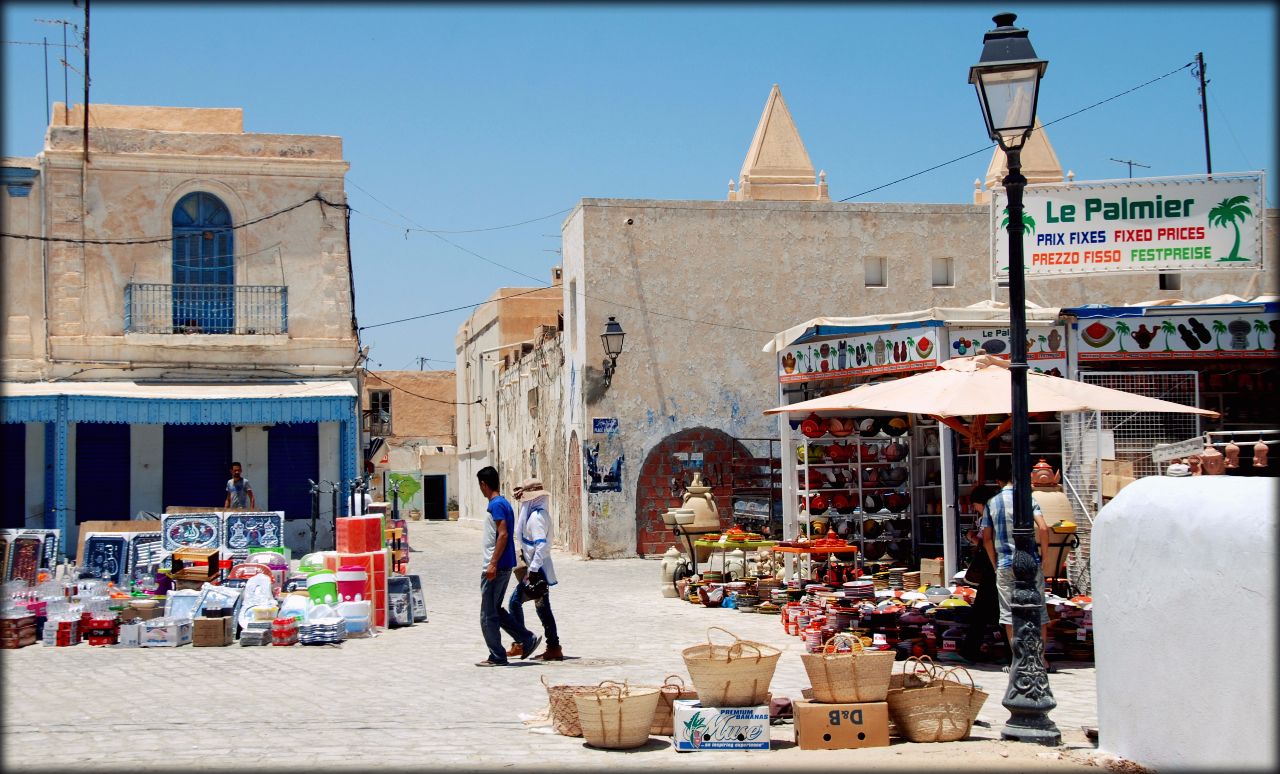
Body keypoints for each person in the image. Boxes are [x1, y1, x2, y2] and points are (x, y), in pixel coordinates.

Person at [979, 459, 1052, 671]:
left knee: (1009, 613)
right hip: (1030, 561)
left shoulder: (992, 503)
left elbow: (986, 538)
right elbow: (1044, 528)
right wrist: (1044, 557)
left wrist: (995, 563)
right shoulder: (1027, 499)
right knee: (1038, 611)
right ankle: (1040, 660)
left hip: (1004, 562)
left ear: (999, 481)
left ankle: (1018, 661)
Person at [474, 466, 540, 667]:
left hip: (496, 566)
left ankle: (497, 655)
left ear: (484, 484)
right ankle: (525, 638)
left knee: (487, 615)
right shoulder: (503, 504)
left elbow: (502, 534)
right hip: (502, 564)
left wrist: (492, 563)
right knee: (495, 610)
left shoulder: (496, 505)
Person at [504, 478, 563, 661]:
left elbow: (541, 546)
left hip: (538, 571)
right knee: (543, 608)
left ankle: (522, 641)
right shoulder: (537, 515)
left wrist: (534, 570)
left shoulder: (537, 518)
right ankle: (553, 646)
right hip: (537, 569)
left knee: (515, 602)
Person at [958, 483, 1002, 664]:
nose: (974, 509)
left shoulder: (988, 515)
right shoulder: (997, 513)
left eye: (975, 505)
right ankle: (975, 649)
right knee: (993, 611)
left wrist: (971, 538)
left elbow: (986, 542)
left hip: (992, 568)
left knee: (984, 611)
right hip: (996, 567)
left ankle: (971, 650)